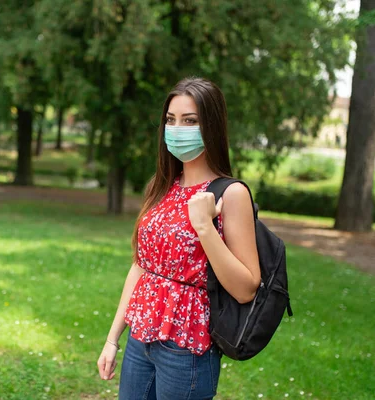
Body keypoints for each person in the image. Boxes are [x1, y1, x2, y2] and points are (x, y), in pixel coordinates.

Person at [97, 77, 261, 399]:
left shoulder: (231, 194)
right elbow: (141, 268)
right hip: (140, 338)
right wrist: (113, 338)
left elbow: (246, 288)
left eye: (190, 120)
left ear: (211, 126)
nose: (176, 129)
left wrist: (204, 226)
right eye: (171, 120)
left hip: (187, 347)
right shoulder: (162, 187)